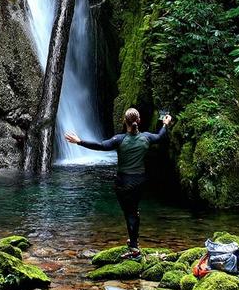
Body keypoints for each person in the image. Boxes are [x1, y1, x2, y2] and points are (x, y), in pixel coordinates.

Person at [65, 108, 172, 257]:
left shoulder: (119, 139)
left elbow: (100, 146)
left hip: (123, 183)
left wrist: (79, 142)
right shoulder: (147, 138)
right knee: (133, 211)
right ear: (139, 121)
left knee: (129, 213)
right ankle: (134, 240)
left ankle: (134, 248)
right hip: (139, 181)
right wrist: (165, 123)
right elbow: (160, 136)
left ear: (124, 121)